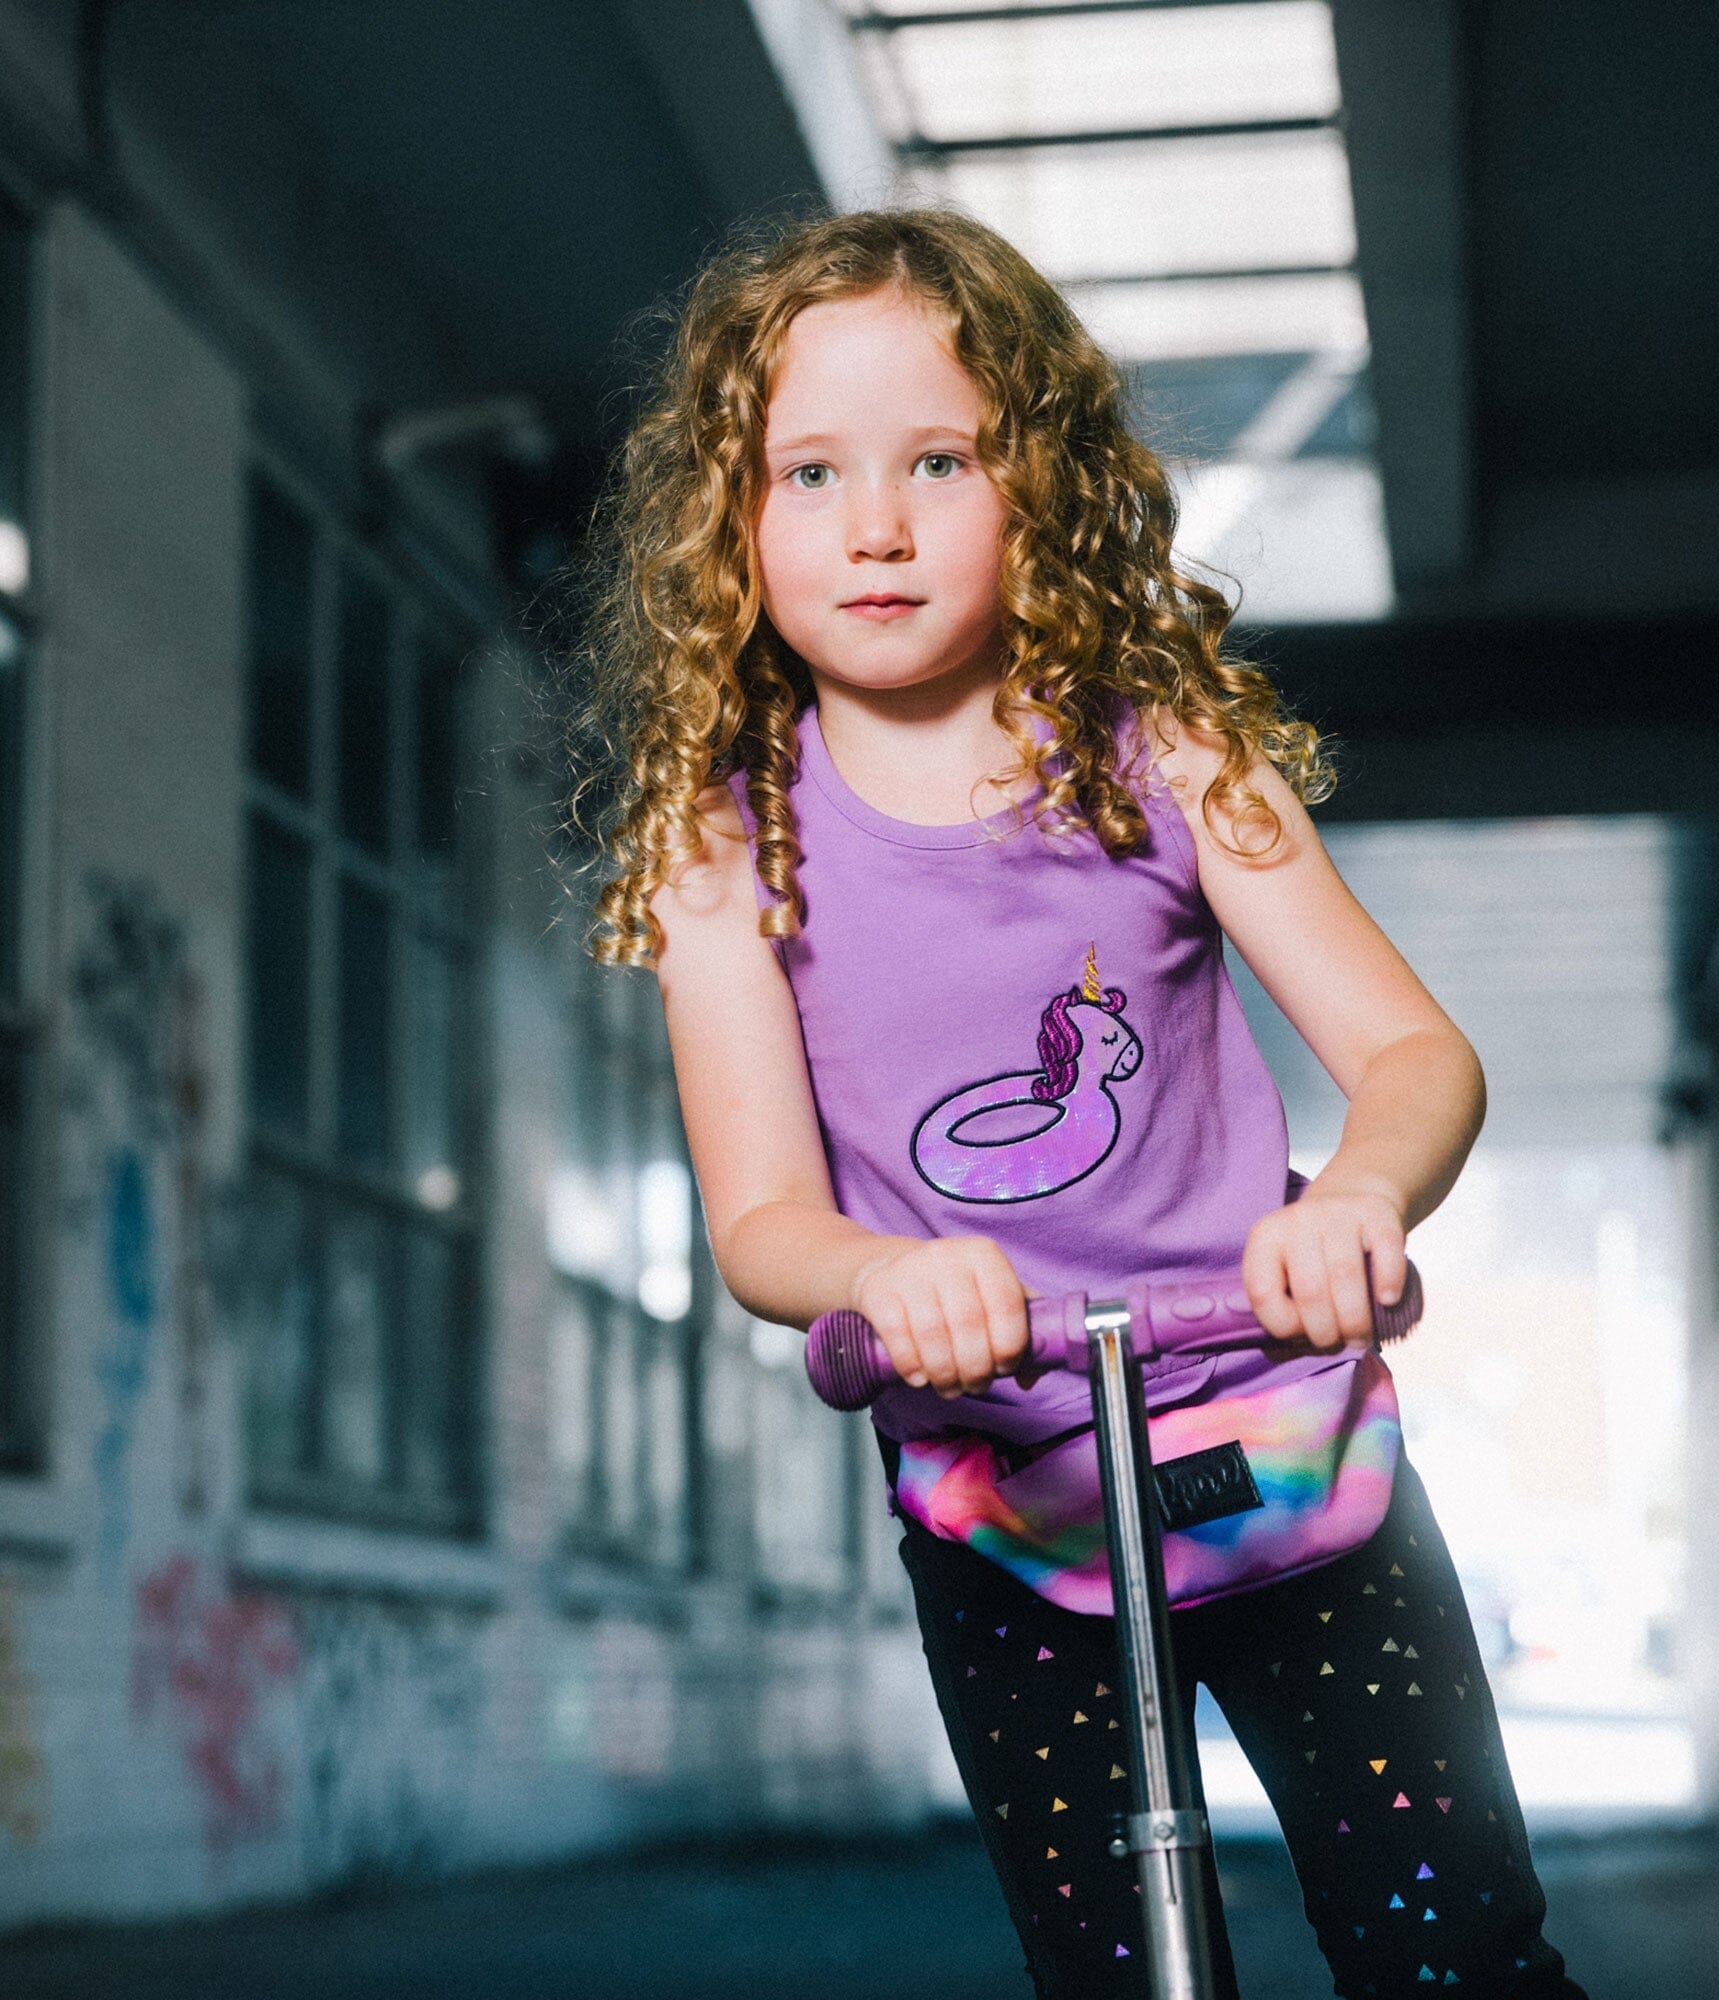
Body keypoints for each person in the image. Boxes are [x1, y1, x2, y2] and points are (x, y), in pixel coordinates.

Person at [575, 205, 1589, 2000]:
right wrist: (880, 1280)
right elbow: (761, 1223)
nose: (873, 523)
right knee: (1119, 1971)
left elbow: (1418, 1057)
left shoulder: (1163, 752)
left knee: (1456, 1953)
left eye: (939, 461)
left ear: (1035, 483)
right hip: (1009, 1499)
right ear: (725, 526)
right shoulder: (724, 843)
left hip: (1283, 1443)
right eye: (806, 473)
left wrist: (1357, 1194)